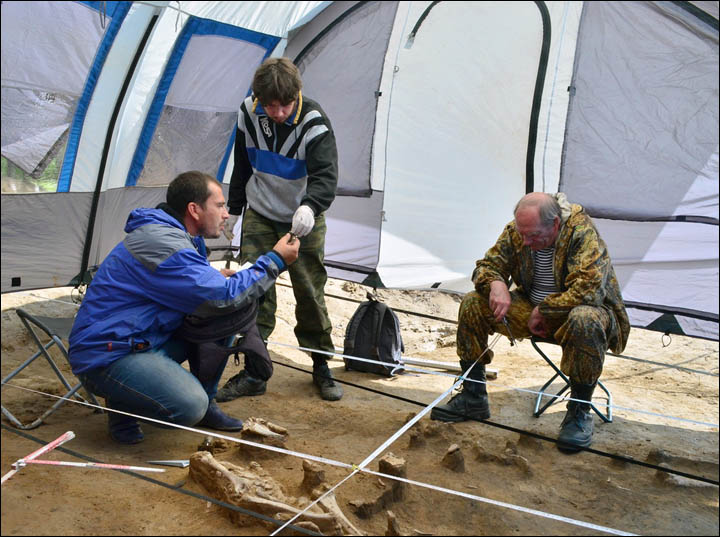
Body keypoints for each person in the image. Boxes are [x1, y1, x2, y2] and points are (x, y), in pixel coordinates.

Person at [68, 171, 299, 444]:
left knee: (227, 315)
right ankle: (123, 404)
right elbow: (221, 296)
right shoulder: (162, 242)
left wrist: (217, 280)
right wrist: (275, 260)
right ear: (194, 209)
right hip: (107, 355)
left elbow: (204, 289)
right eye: (220, 205)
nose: (226, 214)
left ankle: (204, 402)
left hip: (142, 337)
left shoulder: (180, 236)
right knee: (189, 406)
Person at [431, 192, 630, 452]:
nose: (526, 241)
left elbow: (589, 291)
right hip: (532, 310)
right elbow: (486, 265)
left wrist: (546, 310)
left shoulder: (582, 233)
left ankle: (579, 412)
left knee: (584, 318)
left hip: (585, 315)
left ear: (555, 224)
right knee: (473, 303)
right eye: (523, 234)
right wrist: (496, 283)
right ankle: (473, 396)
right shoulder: (519, 230)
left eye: (534, 236)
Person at [217, 57, 343, 402]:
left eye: (284, 105)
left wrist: (310, 206)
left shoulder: (315, 123)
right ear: (258, 99)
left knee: (309, 290)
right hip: (261, 210)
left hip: (302, 217)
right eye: (270, 105)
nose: (277, 112)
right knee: (253, 287)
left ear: (297, 95)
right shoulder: (248, 113)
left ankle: (321, 364)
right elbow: (242, 162)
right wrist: (235, 207)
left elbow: (326, 177)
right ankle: (256, 372)